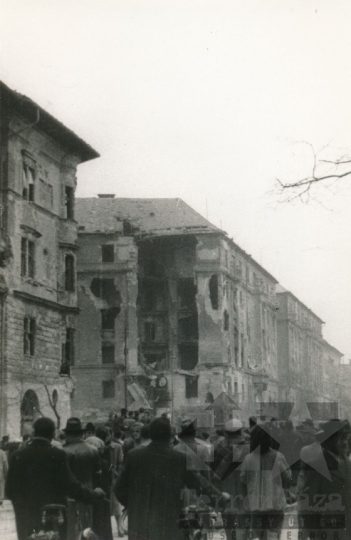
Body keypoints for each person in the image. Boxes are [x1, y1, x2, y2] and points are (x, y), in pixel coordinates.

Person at [115, 417, 230, 540]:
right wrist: (220, 499)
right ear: (169, 435)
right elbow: (199, 484)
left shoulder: (134, 455)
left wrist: (134, 504)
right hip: (168, 524)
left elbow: (119, 488)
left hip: (140, 525)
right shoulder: (179, 457)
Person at [5, 417, 104, 540]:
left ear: (34, 433)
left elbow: (9, 491)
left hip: (26, 522)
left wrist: (23, 509)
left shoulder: (17, 456)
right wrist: (93, 496)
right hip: (52, 522)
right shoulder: (58, 455)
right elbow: (71, 486)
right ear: (52, 434)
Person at [297, 419, 351, 540]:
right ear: (329, 441)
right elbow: (309, 506)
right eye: (341, 439)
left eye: (346, 439)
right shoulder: (317, 466)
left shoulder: (348, 463)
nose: (345, 443)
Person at [240, 423, 291, 540]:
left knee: (261, 536)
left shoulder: (248, 459)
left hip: (256, 505)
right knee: (274, 535)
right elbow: (288, 477)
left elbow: (242, 479)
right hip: (275, 504)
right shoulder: (278, 457)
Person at [212, 419, 250, 540]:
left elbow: (213, 475)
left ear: (226, 433)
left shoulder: (218, 448)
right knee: (243, 531)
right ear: (241, 431)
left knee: (229, 531)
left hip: (225, 494)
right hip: (245, 494)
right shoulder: (249, 448)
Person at [63, 417, 102, 531]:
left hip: (69, 497)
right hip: (89, 494)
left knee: (72, 529)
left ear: (68, 434)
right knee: (87, 528)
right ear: (81, 433)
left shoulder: (64, 451)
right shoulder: (93, 450)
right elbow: (98, 475)